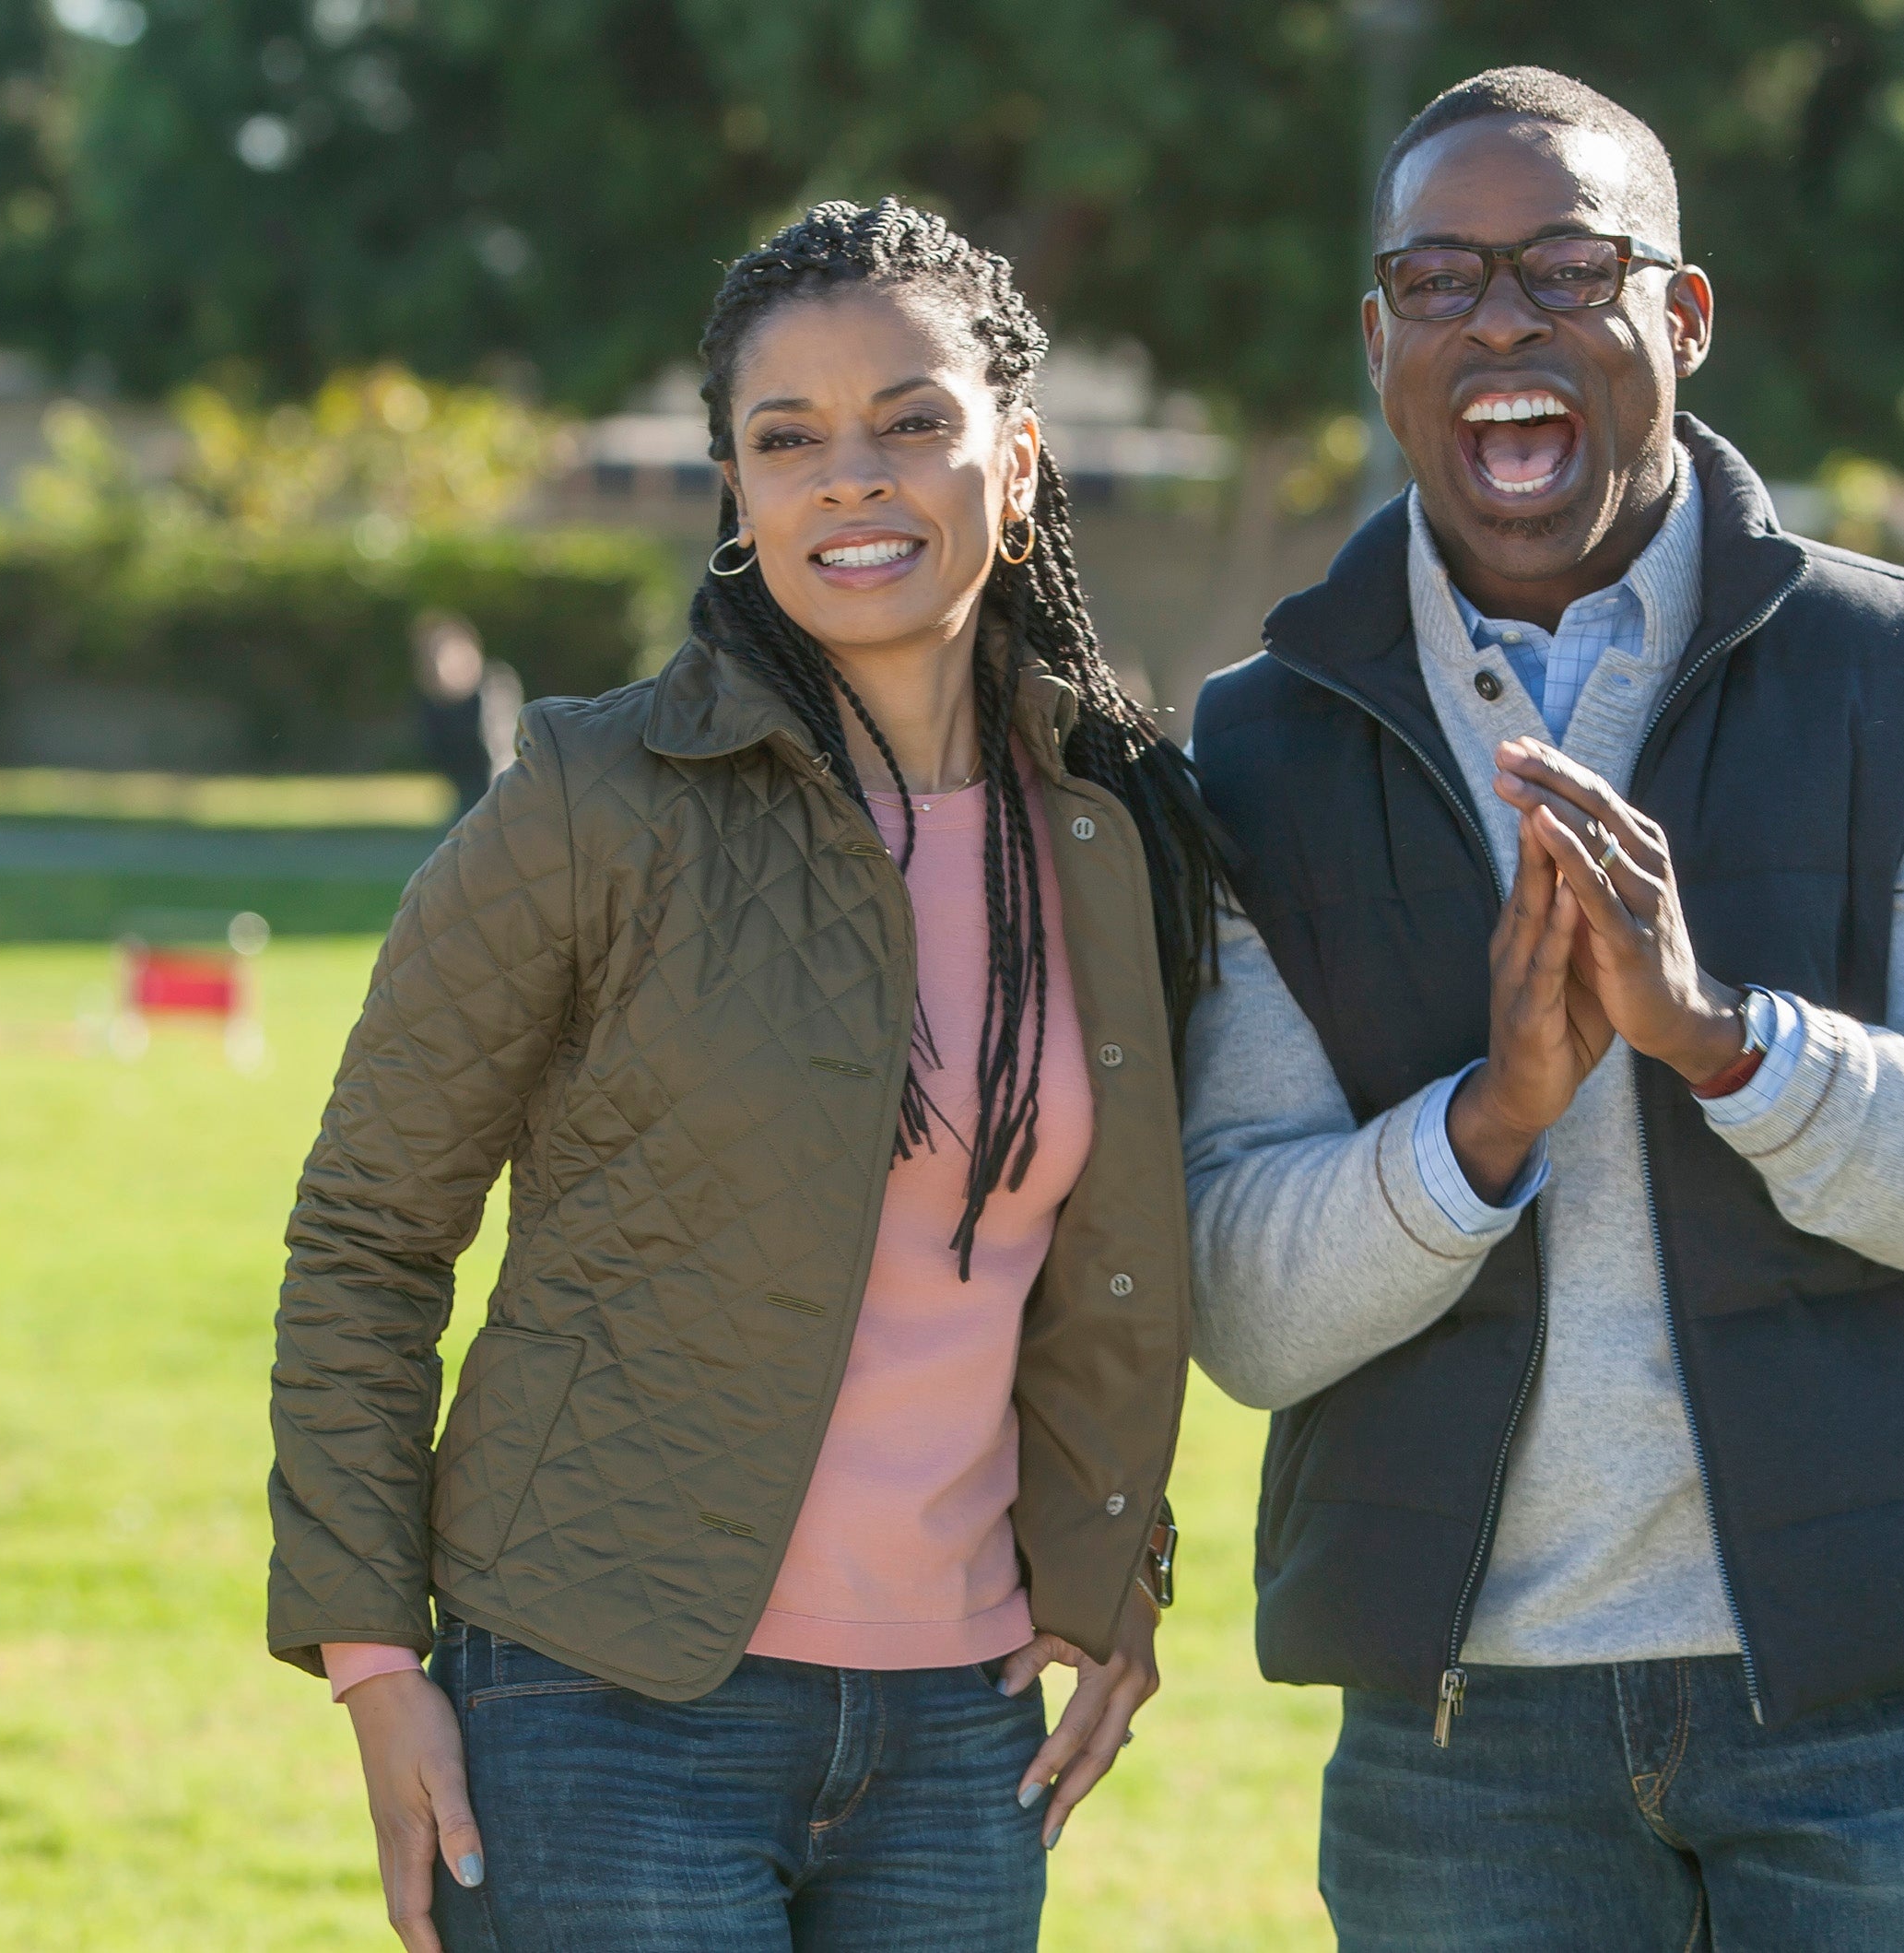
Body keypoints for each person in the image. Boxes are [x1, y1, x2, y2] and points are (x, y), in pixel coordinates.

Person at [1181, 66, 1904, 1951]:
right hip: (1464, 1736)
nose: (1504, 322)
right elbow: (1239, 1299)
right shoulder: (1263, 745)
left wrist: (1728, 1044)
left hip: (1896, 1703)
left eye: (1566, 263)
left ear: (1681, 317)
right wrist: (1493, 1123)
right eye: (1442, 280)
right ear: (1380, 338)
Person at [267, 199, 1216, 1953]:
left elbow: (1110, 1263)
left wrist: (1117, 1565)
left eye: (912, 424)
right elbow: (369, 1226)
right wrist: (373, 1658)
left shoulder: (1113, 825)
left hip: (957, 1727)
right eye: (789, 440)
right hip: (595, 1697)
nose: (851, 479)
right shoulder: (589, 795)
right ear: (736, 490)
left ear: (1016, 464)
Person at [410, 611, 523, 825]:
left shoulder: (494, 688)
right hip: (468, 801)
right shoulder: (434, 705)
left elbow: (502, 754)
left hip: (502, 797)